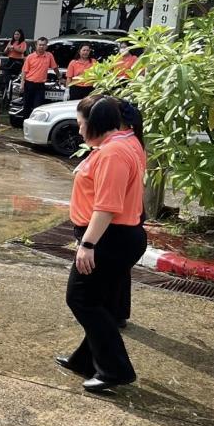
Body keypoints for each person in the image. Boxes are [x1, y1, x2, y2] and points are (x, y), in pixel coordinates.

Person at [56, 95, 147, 393]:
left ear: (96, 123)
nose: (79, 130)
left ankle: (115, 369)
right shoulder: (124, 142)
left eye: (81, 124)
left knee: (81, 299)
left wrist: (88, 244)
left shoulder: (113, 153)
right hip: (117, 237)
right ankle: (87, 359)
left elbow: (107, 206)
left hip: (109, 238)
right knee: (99, 300)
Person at [21, 37, 58, 121]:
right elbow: (24, 71)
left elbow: (55, 67)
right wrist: (22, 83)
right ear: (36, 45)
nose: (41, 47)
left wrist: (59, 77)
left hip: (40, 85)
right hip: (29, 83)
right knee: (27, 105)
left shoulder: (49, 56)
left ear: (46, 46)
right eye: (40, 45)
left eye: (43, 45)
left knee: (38, 106)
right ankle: (26, 122)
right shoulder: (30, 57)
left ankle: (35, 122)